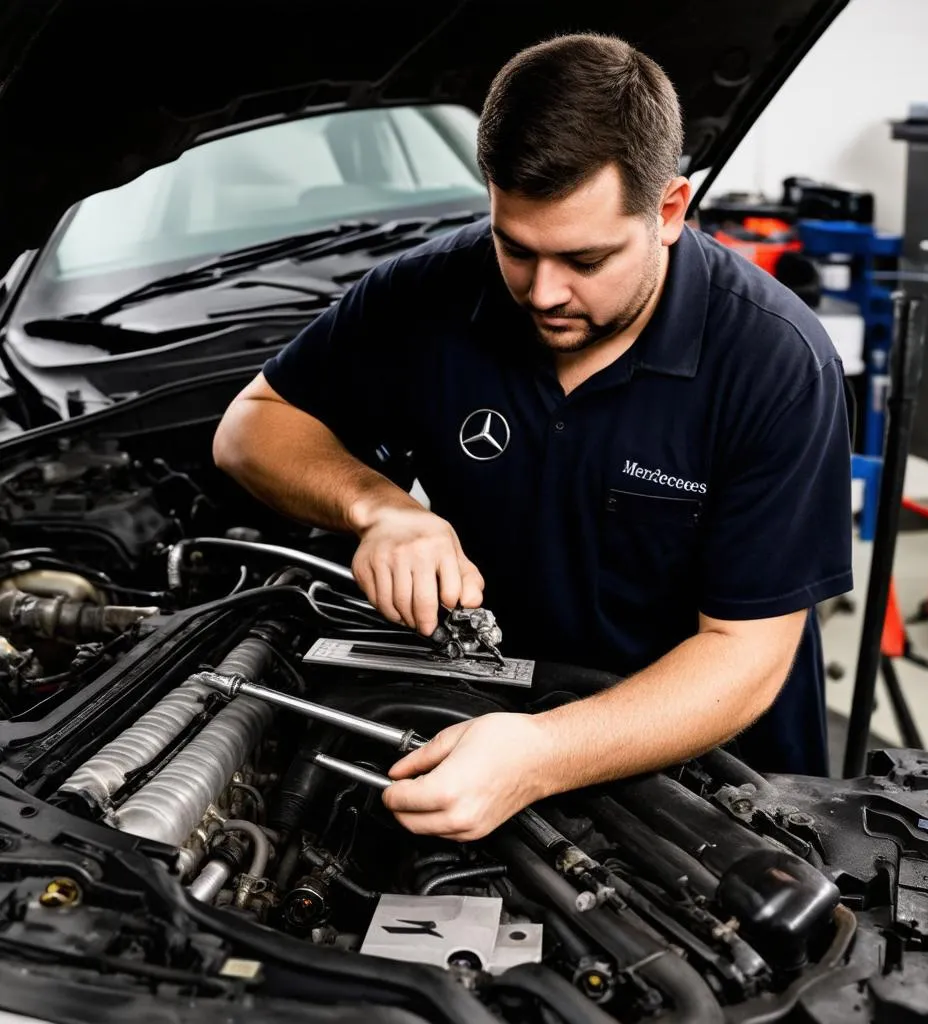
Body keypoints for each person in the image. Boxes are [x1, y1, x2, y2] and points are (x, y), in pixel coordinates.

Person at [213, 33, 853, 842]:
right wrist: (381, 510)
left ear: (669, 212)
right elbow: (252, 428)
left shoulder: (774, 361)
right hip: (482, 735)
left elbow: (743, 660)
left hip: (715, 799)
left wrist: (541, 753)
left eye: (585, 259)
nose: (544, 292)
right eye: (516, 247)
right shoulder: (429, 294)